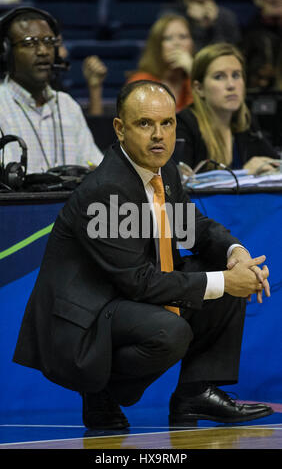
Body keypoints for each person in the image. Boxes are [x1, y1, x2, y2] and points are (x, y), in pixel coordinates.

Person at [13, 79, 273, 430]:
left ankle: (195, 393)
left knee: (220, 275)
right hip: (85, 322)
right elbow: (139, 281)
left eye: (167, 123)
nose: (158, 135)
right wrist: (225, 281)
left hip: (123, 299)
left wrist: (236, 254)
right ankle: (99, 391)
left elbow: (192, 228)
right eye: (145, 123)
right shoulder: (107, 189)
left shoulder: (163, 169)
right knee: (172, 329)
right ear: (119, 128)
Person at [0, 6, 103, 174]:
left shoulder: (67, 105)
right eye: (30, 43)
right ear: (6, 52)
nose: (42, 51)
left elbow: (94, 166)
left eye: (49, 42)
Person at [174, 43, 280, 174]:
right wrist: (243, 174)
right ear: (199, 88)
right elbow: (182, 186)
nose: (231, 85)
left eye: (236, 75)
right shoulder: (183, 125)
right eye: (219, 77)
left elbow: (275, 162)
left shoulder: (247, 123)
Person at [126, 14, 194, 113]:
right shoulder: (141, 81)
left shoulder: (195, 81)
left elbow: (205, 119)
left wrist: (193, 71)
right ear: (157, 46)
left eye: (183, 37)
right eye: (168, 38)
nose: (177, 43)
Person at [165, 0, 241, 52]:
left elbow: (229, 54)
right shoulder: (171, 16)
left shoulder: (226, 17)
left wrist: (212, 24)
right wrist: (198, 25)